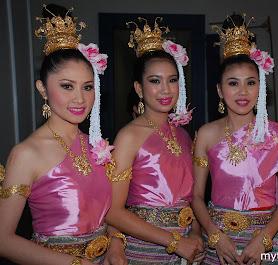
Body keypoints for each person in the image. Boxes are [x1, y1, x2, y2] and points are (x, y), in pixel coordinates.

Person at [0, 4, 127, 265]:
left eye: (87, 87)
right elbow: (4, 240)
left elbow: (112, 212)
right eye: (67, 86)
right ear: (43, 89)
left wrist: (115, 246)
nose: (80, 98)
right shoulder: (25, 154)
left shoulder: (97, 145)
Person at [191, 14, 278, 265]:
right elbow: (196, 196)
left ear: (260, 88)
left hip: (266, 240)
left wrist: (263, 238)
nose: (243, 92)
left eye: (250, 83)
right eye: (233, 83)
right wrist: (215, 235)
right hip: (219, 242)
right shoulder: (206, 134)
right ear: (220, 90)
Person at [105, 18, 204, 264]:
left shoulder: (182, 133)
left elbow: (192, 198)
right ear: (139, 89)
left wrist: (195, 232)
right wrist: (175, 242)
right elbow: (113, 211)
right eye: (155, 81)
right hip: (145, 250)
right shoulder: (129, 136)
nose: (166, 90)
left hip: (188, 249)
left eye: (172, 80)